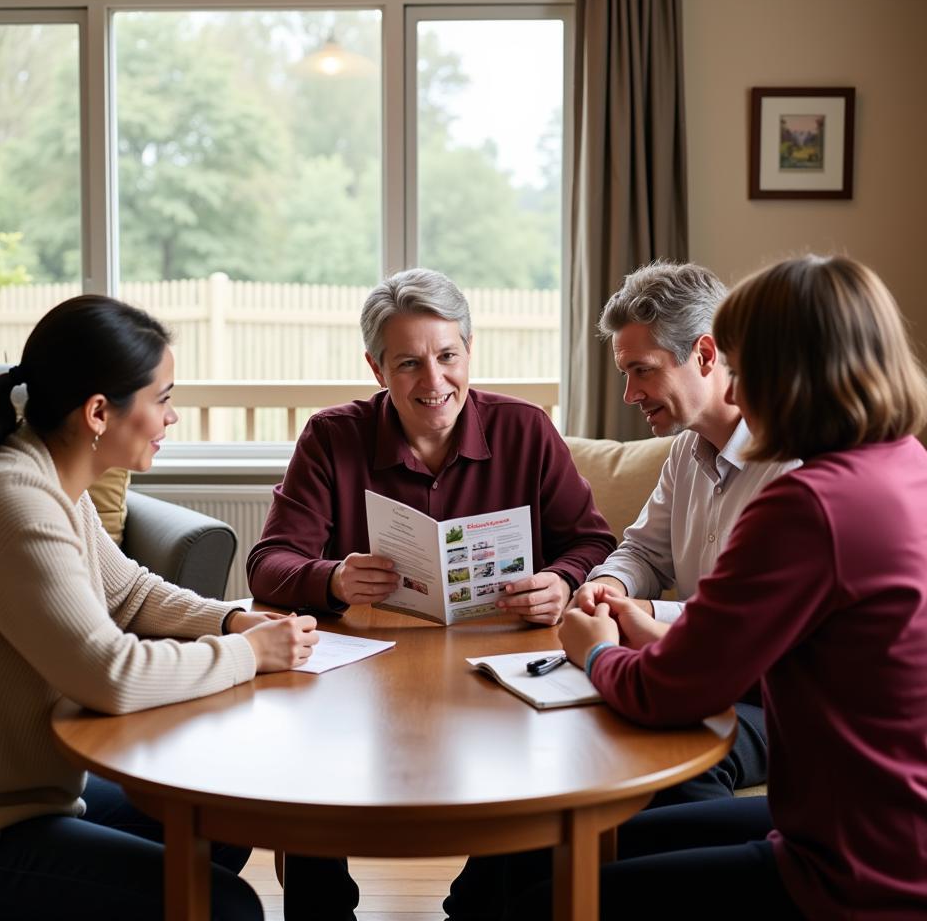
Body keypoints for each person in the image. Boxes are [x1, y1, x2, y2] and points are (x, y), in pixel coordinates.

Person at [0, 295, 319, 921]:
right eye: (163, 398)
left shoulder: (49, 482)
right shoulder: (12, 498)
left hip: (25, 791)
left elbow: (128, 591)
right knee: (227, 906)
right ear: (99, 412)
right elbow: (110, 673)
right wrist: (246, 654)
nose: (172, 417)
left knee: (222, 813)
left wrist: (232, 620)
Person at [550, 254, 927, 920]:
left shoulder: (809, 502)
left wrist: (594, 650)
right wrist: (635, 619)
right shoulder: (902, 463)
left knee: (555, 892)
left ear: (790, 374)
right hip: (858, 827)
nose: (734, 385)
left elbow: (665, 691)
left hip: (858, 869)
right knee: (562, 851)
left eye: (744, 364)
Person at [247, 267, 616, 921]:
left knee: (530, 776)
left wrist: (560, 582)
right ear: (376, 367)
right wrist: (330, 578)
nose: (434, 380)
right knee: (305, 763)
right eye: (409, 363)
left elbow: (591, 540)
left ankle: (484, 905)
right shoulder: (332, 437)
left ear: (469, 351)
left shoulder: (525, 430)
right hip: (362, 670)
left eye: (448, 356)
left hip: (499, 663)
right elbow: (268, 563)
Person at [574, 261, 798, 803]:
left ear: (703, 354)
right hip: (696, 668)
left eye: (642, 370)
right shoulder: (684, 452)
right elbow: (643, 553)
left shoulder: (794, 465)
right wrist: (611, 588)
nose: (630, 394)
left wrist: (649, 615)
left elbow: (753, 627)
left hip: (775, 694)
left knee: (681, 762)